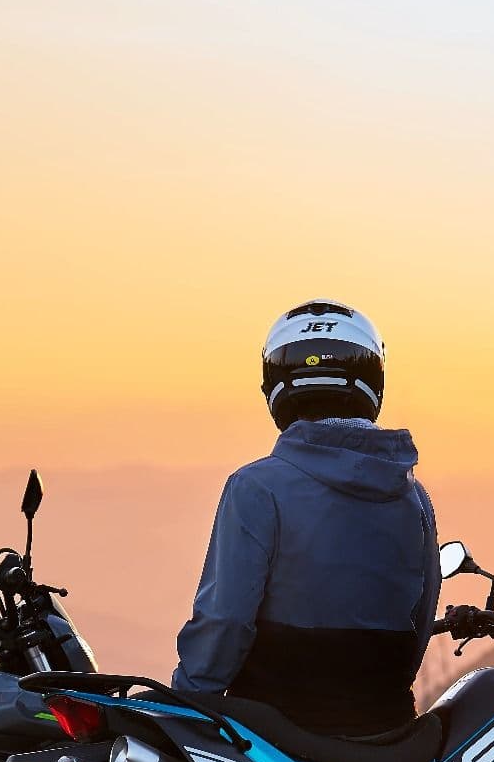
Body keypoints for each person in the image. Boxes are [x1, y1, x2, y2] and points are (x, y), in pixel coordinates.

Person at [173, 301, 438, 738]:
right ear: (373, 382)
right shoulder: (414, 498)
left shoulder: (256, 488)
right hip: (385, 731)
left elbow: (225, 621)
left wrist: (185, 705)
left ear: (276, 384)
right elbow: (419, 627)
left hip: (276, 740)